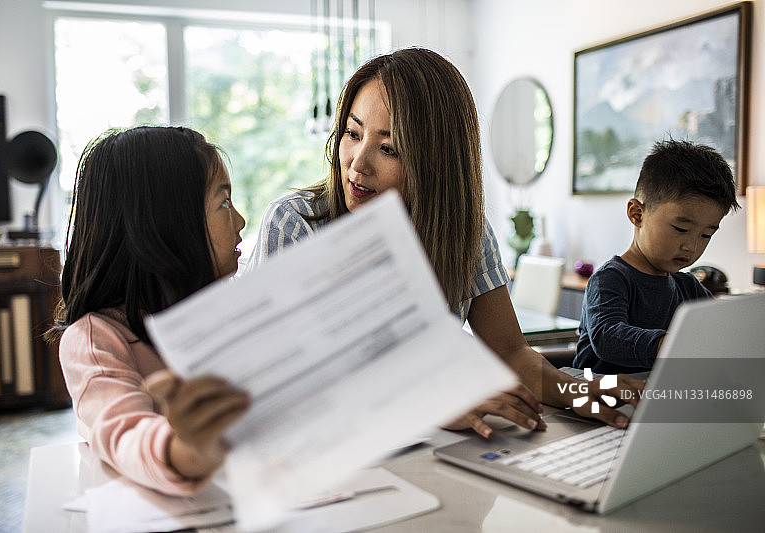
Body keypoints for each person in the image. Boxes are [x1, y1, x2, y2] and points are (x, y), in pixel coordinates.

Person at [248, 47, 643, 438]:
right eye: (353, 133)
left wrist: (575, 391)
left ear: (436, 161)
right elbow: (281, 386)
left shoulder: (466, 232)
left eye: (388, 148)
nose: (357, 162)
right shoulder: (295, 224)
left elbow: (510, 353)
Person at [47, 126, 250, 496]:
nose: (240, 221)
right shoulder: (94, 340)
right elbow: (124, 433)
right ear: (164, 225)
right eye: (223, 203)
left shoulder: (225, 312)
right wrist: (184, 450)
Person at [573, 139, 740, 375]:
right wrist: (671, 344)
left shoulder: (688, 286)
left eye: (706, 235)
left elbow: (722, 328)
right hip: (599, 393)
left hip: (659, 393)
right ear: (637, 214)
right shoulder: (610, 279)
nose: (691, 246)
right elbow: (606, 337)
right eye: (681, 229)